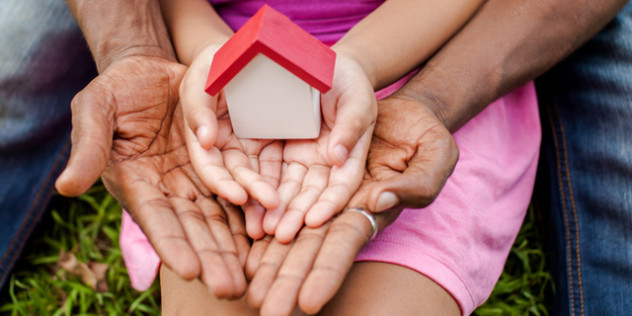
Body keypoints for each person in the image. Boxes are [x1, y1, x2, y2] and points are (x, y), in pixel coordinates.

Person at [146, 0, 539, 315]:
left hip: (419, 62)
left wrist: (359, 61)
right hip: (224, 92)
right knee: (220, 281)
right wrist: (216, 56)